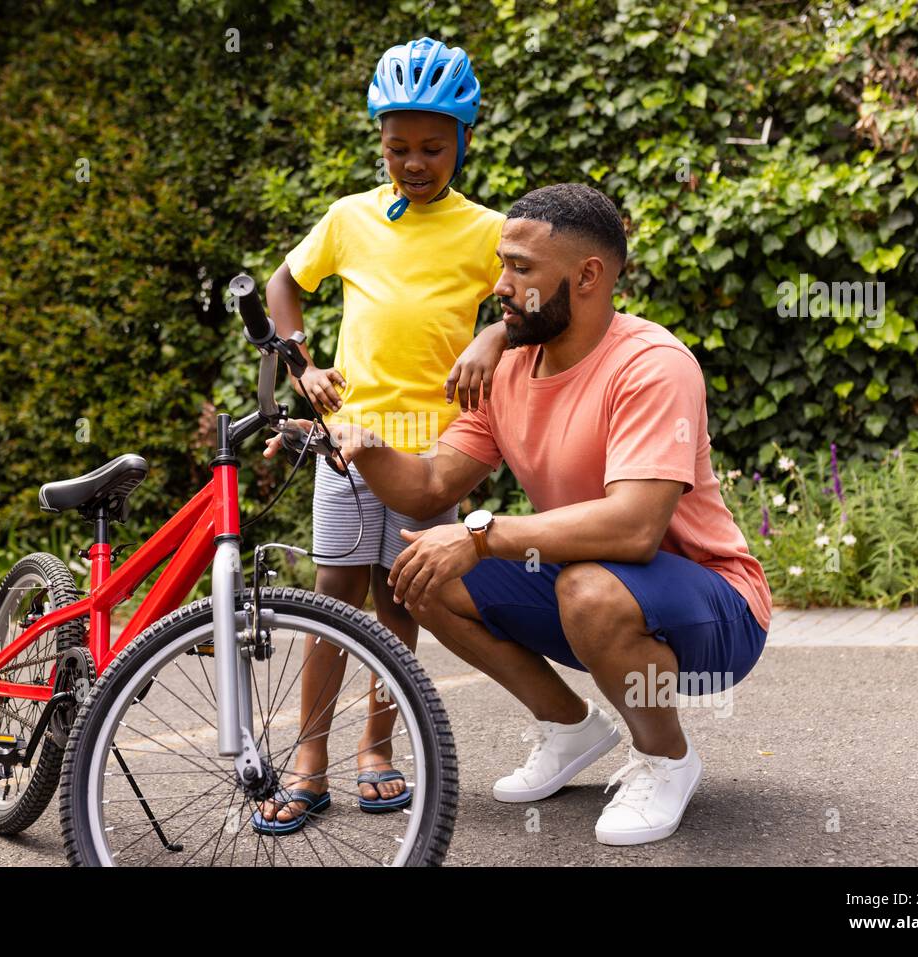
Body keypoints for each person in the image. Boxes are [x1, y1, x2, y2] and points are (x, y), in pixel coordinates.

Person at [266, 182, 772, 846]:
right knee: (419, 575)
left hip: (716, 608)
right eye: (502, 262)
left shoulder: (651, 364)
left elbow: (635, 527)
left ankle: (666, 758)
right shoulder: (508, 371)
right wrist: (357, 445)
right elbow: (428, 484)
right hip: (593, 588)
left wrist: (480, 535)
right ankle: (569, 726)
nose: (499, 285)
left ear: (588, 275)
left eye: (520, 268)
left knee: (585, 588)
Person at [254, 36, 508, 833]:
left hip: (429, 451)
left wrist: (492, 338)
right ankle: (309, 757)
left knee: (404, 596)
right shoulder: (349, 217)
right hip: (349, 435)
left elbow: (529, 300)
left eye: (434, 147)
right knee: (335, 594)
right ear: (380, 143)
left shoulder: (488, 230)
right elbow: (283, 285)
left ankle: (377, 745)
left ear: (463, 140)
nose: (416, 162)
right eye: (398, 147)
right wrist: (302, 368)